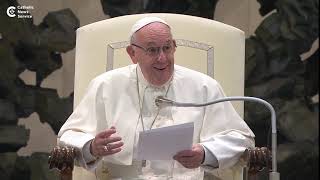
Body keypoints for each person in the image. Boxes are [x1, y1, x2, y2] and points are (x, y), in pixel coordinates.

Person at [58, 16, 255, 180]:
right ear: (132, 53)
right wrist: (91, 147)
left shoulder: (203, 86)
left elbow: (242, 139)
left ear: (174, 47)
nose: (162, 58)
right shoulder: (105, 86)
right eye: (152, 50)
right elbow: (67, 137)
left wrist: (205, 153)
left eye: (167, 48)